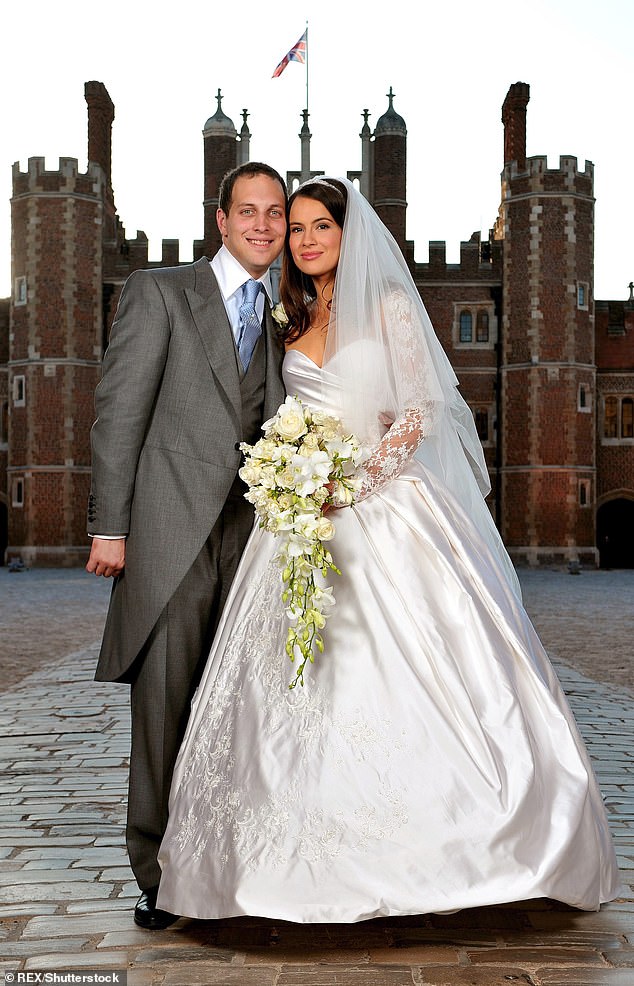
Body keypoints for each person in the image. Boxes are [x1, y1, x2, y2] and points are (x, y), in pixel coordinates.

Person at [156, 176, 621, 923]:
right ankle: (276, 867)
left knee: (424, 674)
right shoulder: (288, 316)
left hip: (385, 509)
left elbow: (415, 415)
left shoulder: (392, 307)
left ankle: (472, 853)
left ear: (351, 233)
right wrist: (291, 477)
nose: (305, 241)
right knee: (286, 691)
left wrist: (351, 484)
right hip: (298, 522)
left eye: (319, 227)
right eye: (295, 229)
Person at [86, 161, 287, 929]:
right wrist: (112, 525)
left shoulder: (285, 313)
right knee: (165, 709)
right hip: (169, 537)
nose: (265, 226)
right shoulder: (162, 290)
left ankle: (221, 865)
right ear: (221, 218)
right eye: (250, 212)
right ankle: (158, 873)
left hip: (254, 541)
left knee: (237, 709)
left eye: (276, 213)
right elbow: (119, 413)